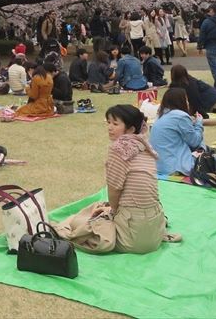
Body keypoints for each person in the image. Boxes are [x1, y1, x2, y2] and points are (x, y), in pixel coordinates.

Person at [54, 105, 169, 254]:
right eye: (108, 122)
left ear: (131, 130)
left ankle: (59, 227)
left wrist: (112, 211)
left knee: (85, 217)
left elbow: (114, 190)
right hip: (154, 232)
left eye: (115, 124)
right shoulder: (144, 146)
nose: (109, 127)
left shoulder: (119, 149)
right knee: (101, 207)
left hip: (133, 237)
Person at [149, 88, 215, 176]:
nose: (188, 103)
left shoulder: (160, 115)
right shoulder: (181, 116)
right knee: (203, 146)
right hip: (175, 168)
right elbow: (194, 142)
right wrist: (199, 122)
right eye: (186, 100)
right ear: (181, 101)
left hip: (159, 167)